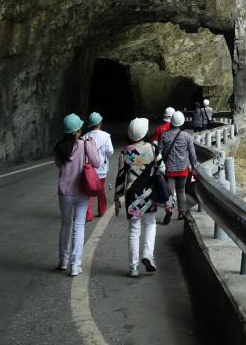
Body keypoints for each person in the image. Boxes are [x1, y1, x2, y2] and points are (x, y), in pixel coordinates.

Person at [54, 113, 100, 277]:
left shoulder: (59, 147)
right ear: (77, 131)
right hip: (81, 190)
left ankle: (63, 261)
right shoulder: (84, 145)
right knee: (78, 226)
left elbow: (59, 164)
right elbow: (97, 162)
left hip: (64, 190)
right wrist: (91, 146)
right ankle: (75, 265)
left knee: (65, 224)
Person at [114, 118, 161, 278]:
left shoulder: (125, 152)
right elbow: (162, 168)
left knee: (134, 231)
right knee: (150, 224)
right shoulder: (153, 148)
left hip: (132, 195)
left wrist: (116, 198)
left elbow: (120, 178)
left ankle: (133, 268)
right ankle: (148, 254)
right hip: (149, 193)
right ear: (145, 132)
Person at [159, 110, 197, 223]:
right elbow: (192, 154)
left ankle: (169, 208)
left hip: (169, 169)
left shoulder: (164, 135)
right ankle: (181, 213)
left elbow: (159, 152)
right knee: (181, 191)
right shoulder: (187, 136)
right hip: (183, 169)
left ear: (171, 122)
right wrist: (194, 167)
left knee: (169, 191)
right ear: (182, 123)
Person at [83, 112, 114, 222]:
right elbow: (110, 151)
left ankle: (88, 215)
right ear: (100, 123)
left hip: (89, 170)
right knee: (100, 189)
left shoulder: (85, 137)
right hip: (102, 168)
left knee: (89, 192)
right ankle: (101, 211)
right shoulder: (106, 136)